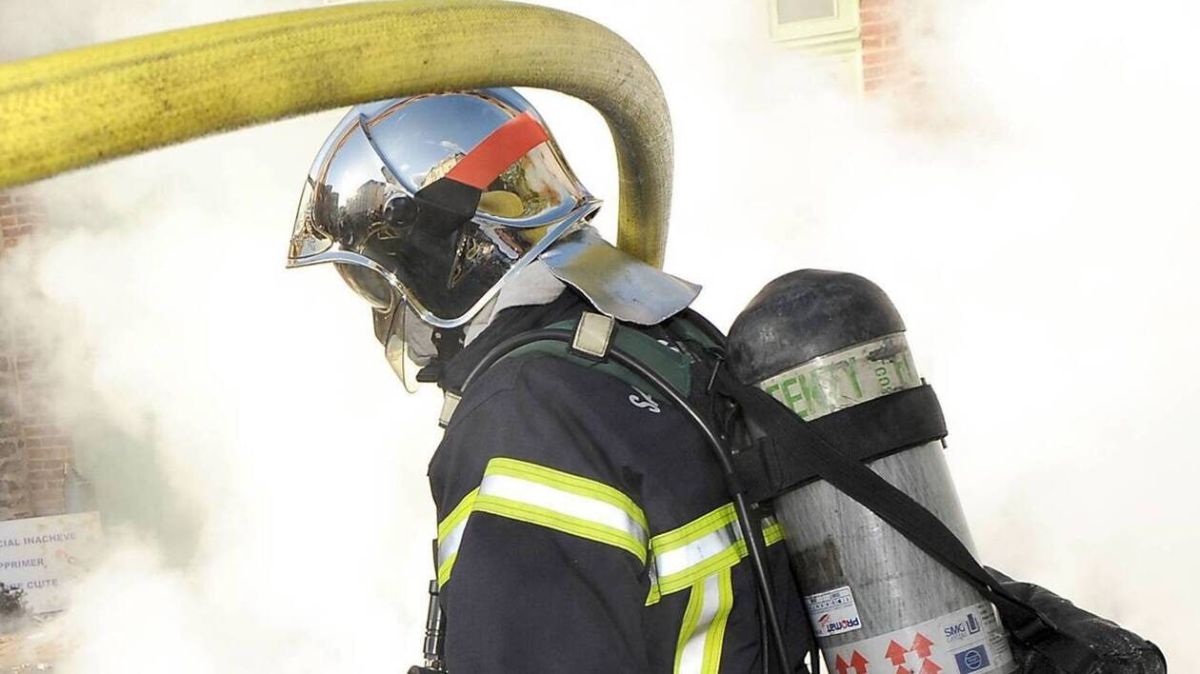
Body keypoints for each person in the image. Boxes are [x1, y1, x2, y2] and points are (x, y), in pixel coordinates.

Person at [287, 89, 810, 673]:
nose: (381, 313)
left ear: (439, 257)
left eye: (374, 286)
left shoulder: (525, 416)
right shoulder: (666, 340)